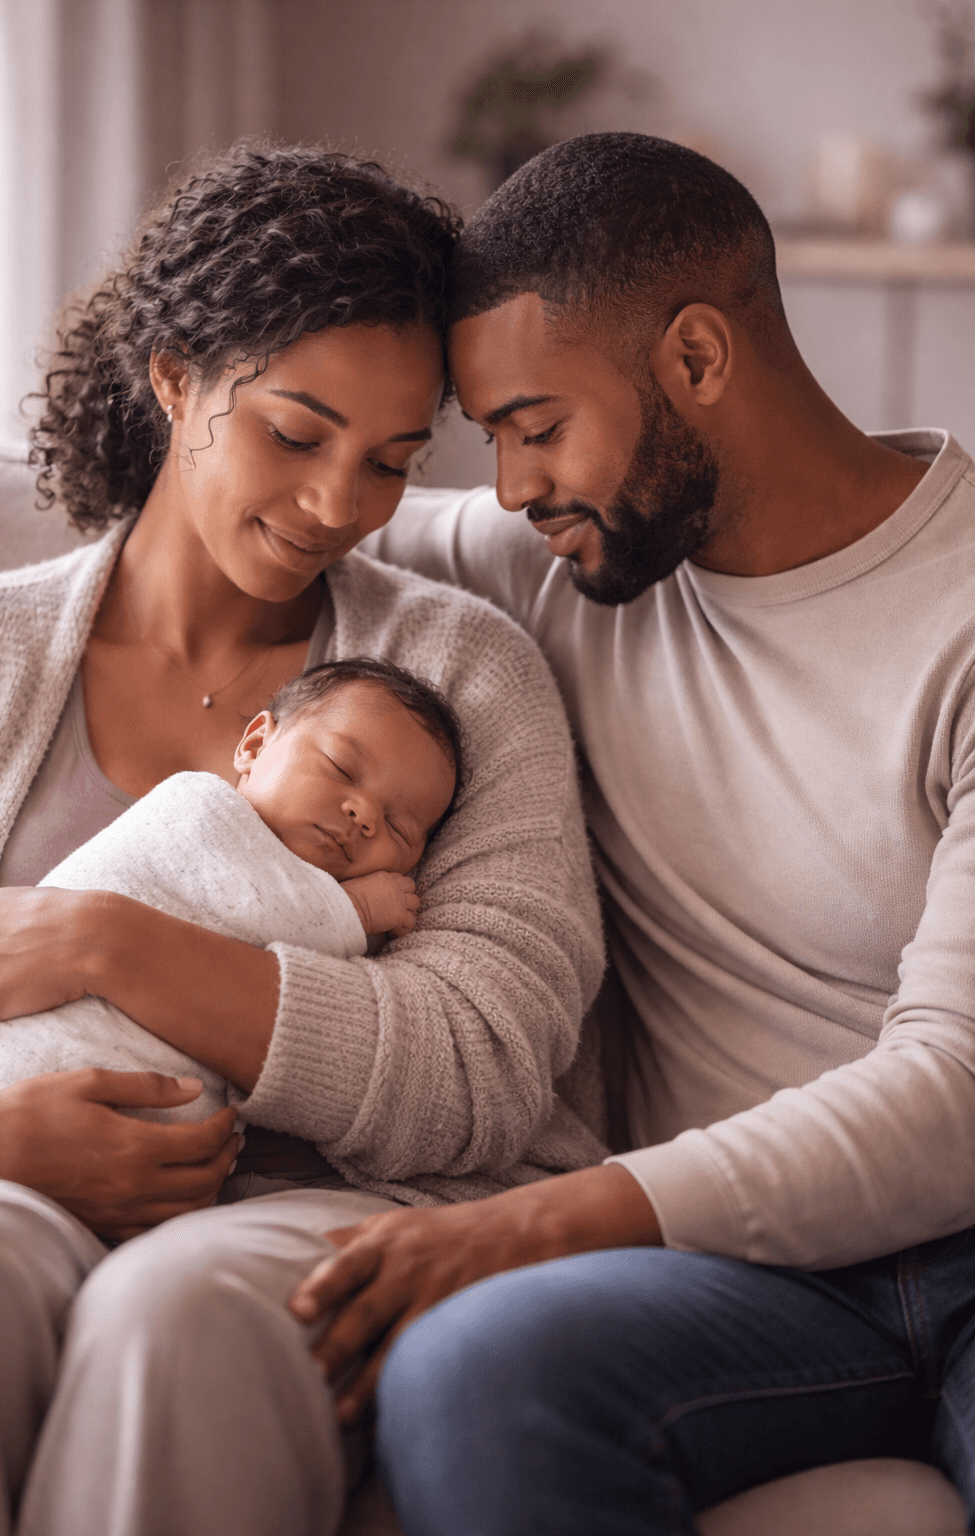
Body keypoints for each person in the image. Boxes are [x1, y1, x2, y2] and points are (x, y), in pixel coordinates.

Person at [289, 133, 975, 1533]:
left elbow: (956, 1097)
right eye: (490, 441)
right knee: (477, 1368)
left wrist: (540, 1221)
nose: (509, 487)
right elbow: (263, 516)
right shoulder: (567, 561)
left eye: (537, 426)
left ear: (699, 362)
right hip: (743, 1273)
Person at [0, 143, 606, 1536]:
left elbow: (482, 1065)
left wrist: (108, 942)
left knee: (173, 1306)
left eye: (389, 463)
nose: (337, 508)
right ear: (177, 378)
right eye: (294, 435)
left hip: (350, 1201)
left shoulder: (462, 673)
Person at [0, 658, 464, 1122]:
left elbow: (311, 997)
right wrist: (358, 908)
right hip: (28, 1058)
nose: (366, 814)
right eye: (341, 768)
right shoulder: (199, 811)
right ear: (255, 745)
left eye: (400, 829)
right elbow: (261, 906)